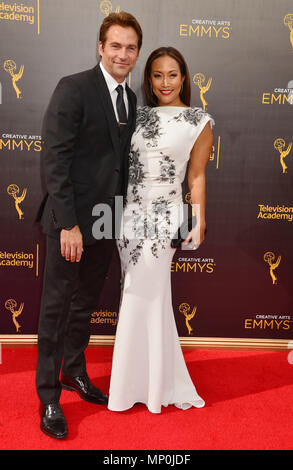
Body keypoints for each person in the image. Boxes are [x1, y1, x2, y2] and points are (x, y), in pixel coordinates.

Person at [35, 12, 142, 439]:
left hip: (108, 219)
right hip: (72, 222)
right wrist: (68, 224)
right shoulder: (74, 87)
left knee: (84, 304)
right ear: (101, 47)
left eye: (130, 47)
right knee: (56, 307)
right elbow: (54, 159)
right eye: (115, 46)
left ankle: (73, 373)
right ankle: (47, 397)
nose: (122, 54)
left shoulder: (131, 101)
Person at [108, 47, 214, 414]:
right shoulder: (135, 115)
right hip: (128, 216)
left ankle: (140, 387)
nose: (165, 82)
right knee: (136, 294)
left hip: (165, 215)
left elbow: (196, 176)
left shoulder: (198, 121)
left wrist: (197, 220)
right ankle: (150, 382)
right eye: (157, 75)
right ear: (148, 79)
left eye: (172, 74)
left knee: (144, 295)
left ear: (184, 77)